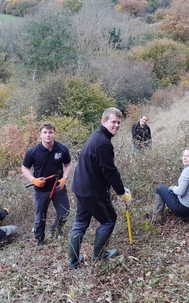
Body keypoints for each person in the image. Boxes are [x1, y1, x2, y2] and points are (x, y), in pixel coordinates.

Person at [68, 107, 132, 269]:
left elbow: (101, 168)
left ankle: (73, 261)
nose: (116, 125)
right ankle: (99, 254)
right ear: (104, 122)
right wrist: (121, 193)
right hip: (92, 192)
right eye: (113, 122)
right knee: (109, 220)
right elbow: (110, 172)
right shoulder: (103, 143)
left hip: (81, 188)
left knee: (80, 222)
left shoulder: (96, 137)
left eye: (119, 122)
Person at [22, 121, 72, 249]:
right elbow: (24, 168)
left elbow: (68, 165)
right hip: (41, 190)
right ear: (40, 135)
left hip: (58, 187)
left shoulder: (62, 149)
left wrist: (64, 178)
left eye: (50, 132)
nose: (48, 135)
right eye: (45, 132)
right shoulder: (32, 152)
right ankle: (40, 239)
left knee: (64, 211)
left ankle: (56, 230)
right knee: (40, 216)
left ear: (54, 133)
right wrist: (34, 180)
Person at [153, 147, 189, 222]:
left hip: (184, 210)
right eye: (184, 155)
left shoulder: (187, 171)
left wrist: (173, 188)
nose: (185, 158)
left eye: (188, 156)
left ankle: (157, 218)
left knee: (161, 188)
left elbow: (180, 192)